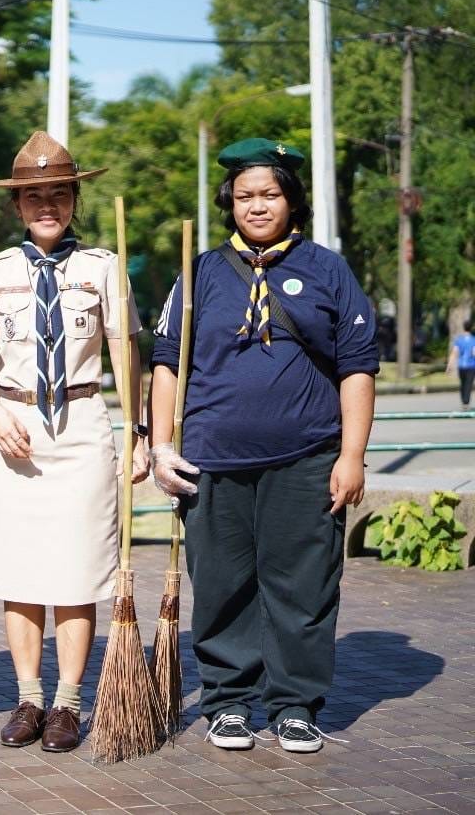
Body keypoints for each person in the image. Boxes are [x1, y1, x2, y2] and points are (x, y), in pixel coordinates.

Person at [149, 138, 378, 754]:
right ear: (230, 202)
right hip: (212, 461)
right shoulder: (200, 272)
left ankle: (295, 705)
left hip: (307, 458)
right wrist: (161, 446)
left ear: (291, 201)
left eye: (270, 194)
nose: (257, 206)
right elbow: (166, 361)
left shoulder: (328, 270)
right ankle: (228, 702)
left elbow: (358, 366)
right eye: (246, 196)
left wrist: (351, 455)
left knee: (303, 587)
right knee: (222, 586)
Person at [0, 131, 148, 753]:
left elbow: (127, 357)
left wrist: (138, 433)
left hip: (81, 425)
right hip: (15, 428)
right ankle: (28, 698)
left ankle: (68, 702)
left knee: (79, 570)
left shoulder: (103, 267)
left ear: (74, 199)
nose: (46, 206)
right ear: (16, 205)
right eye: (33, 196)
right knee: (20, 570)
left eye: (59, 194)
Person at [446, 319, 475, 409]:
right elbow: (474, 352)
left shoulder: (459, 340)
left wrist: (449, 365)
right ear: (471, 328)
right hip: (471, 366)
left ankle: (463, 400)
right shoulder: (473, 340)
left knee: (463, 383)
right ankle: (466, 402)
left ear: (464, 328)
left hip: (461, 365)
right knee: (468, 384)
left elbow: (454, 353)